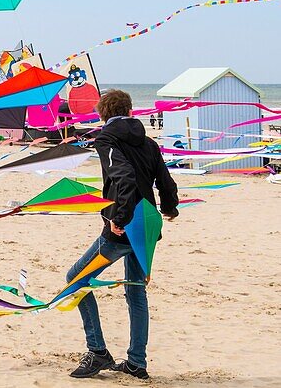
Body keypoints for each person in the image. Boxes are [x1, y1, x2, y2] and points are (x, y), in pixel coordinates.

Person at [66, 89, 179, 380]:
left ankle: (98, 351)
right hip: (148, 224)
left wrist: (120, 217)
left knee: (76, 279)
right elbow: (164, 179)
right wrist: (170, 206)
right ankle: (136, 363)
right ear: (129, 111)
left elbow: (124, 177)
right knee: (136, 292)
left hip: (124, 226)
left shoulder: (107, 138)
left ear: (102, 114)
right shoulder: (149, 141)